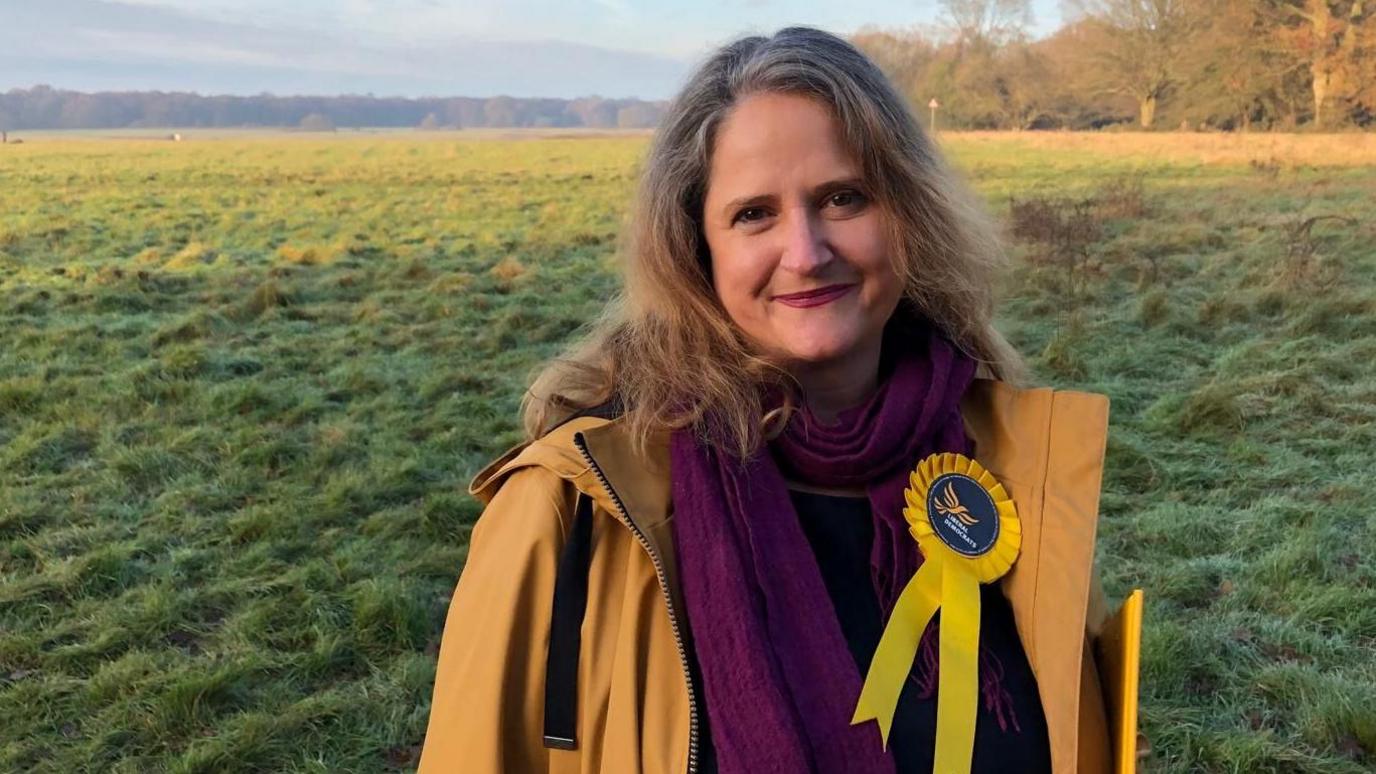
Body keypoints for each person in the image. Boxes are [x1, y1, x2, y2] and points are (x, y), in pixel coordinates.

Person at [418, 25, 1135, 774]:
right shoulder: (569, 514)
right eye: (754, 213)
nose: (806, 251)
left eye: (844, 198)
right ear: (696, 248)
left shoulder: (1013, 471)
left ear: (910, 214)